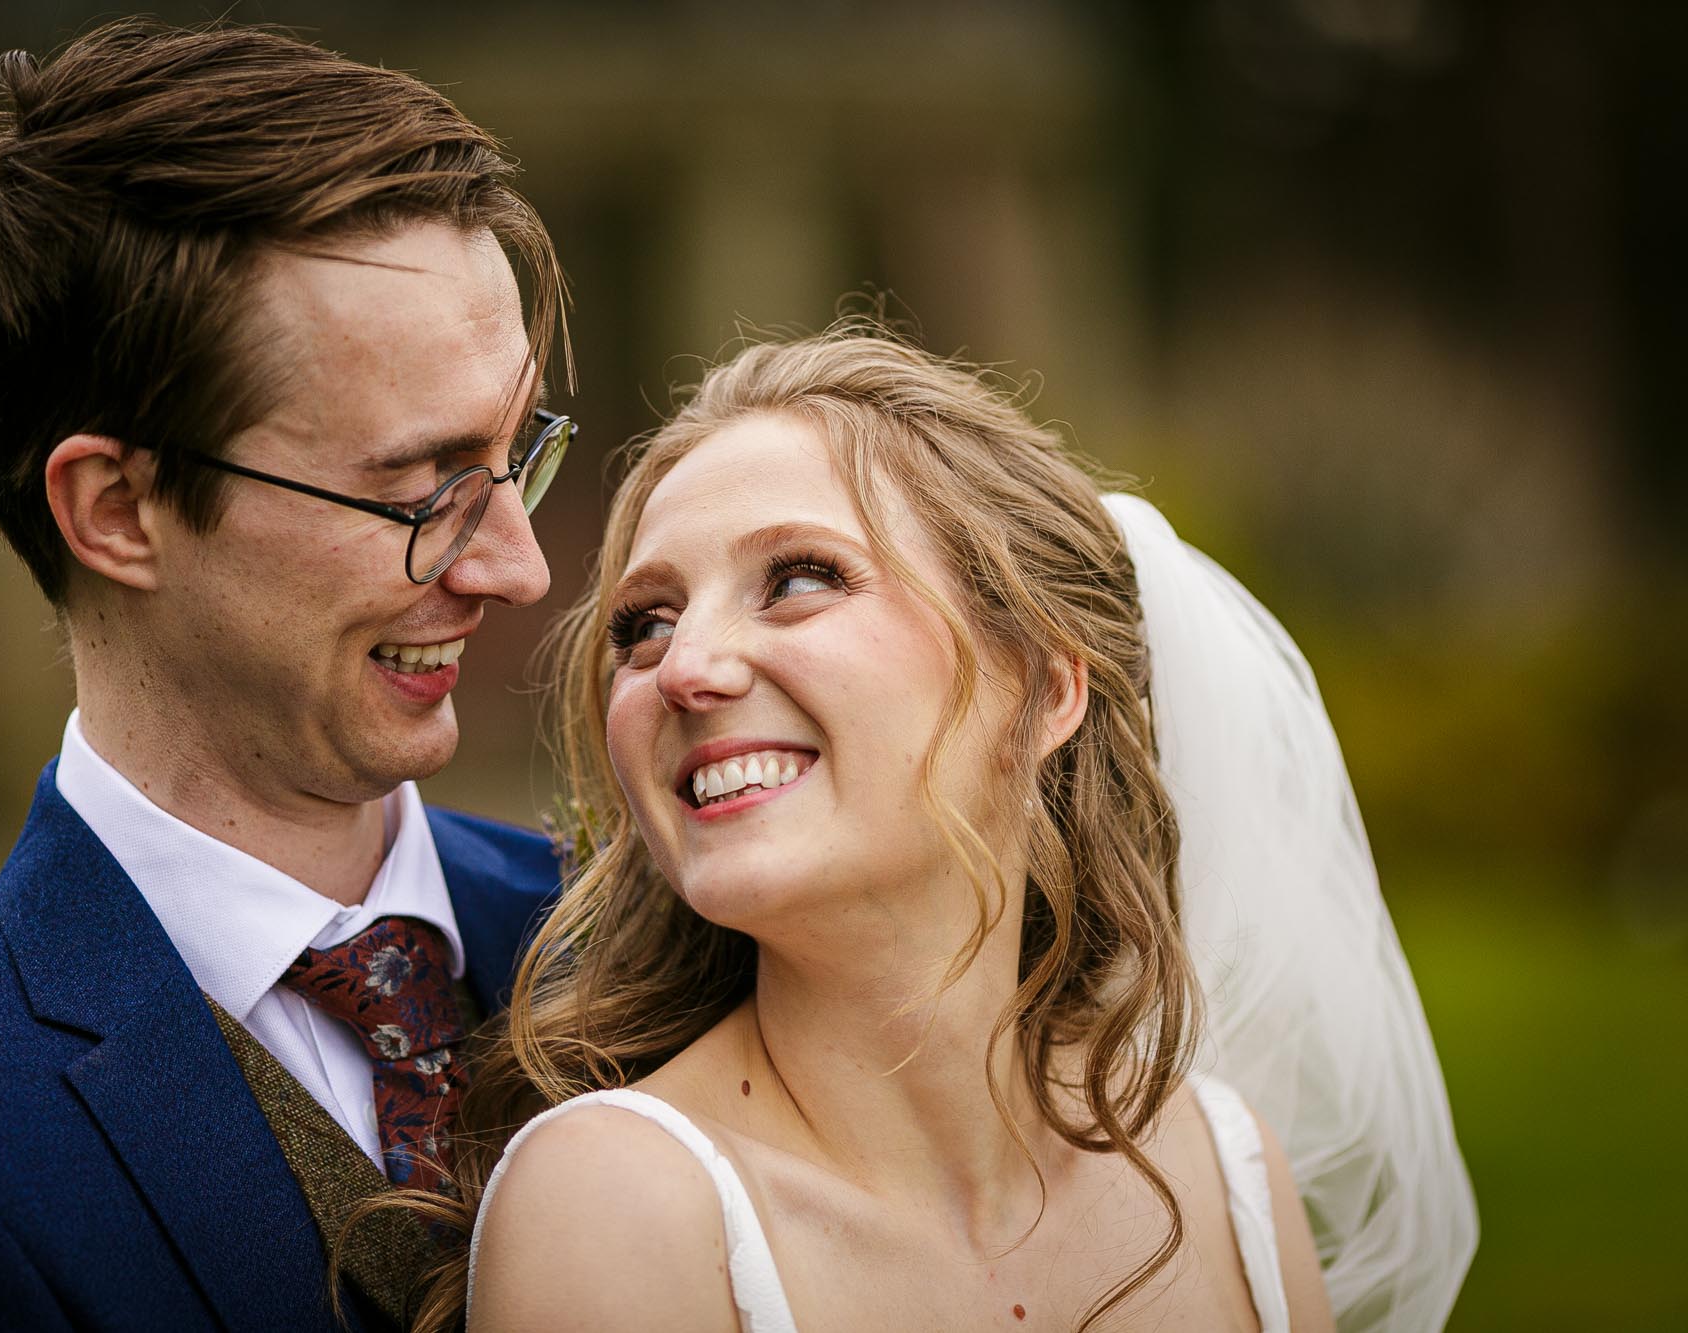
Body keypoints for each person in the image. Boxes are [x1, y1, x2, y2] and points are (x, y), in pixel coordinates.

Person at [0, 20, 573, 1332]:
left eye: (516, 456)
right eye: (424, 489)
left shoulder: (646, 943)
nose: (516, 567)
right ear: (117, 509)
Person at [438, 325, 1475, 1332]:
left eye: (800, 579)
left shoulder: (1227, 1174)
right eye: (644, 624)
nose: (686, 667)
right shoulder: (620, 1205)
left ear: (1042, 688)